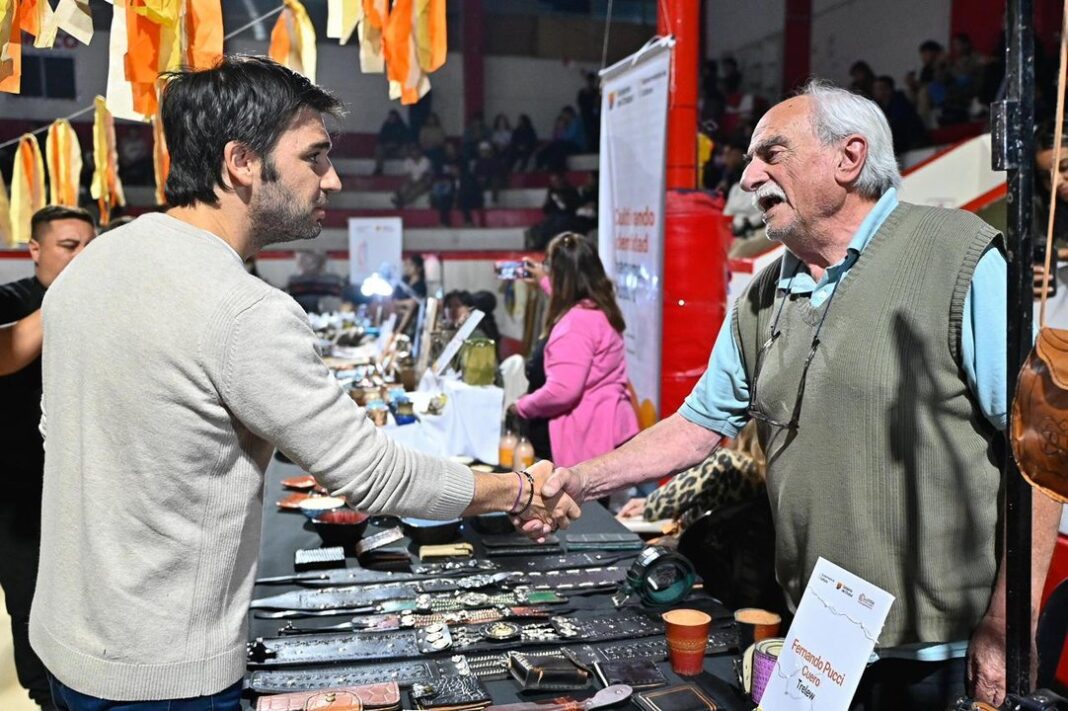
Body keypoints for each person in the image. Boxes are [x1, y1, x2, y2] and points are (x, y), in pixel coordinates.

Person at [31, 56, 578, 711]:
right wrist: (517, 489)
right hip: (164, 675)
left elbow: (62, 432)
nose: (333, 178)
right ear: (242, 161)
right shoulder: (243, 309)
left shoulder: (91, 264)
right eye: (314, 157)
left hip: (67, 644)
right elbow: (375, 476)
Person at [531, 80, 1061, 709]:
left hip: (939, 651)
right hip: (818, 639)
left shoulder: (956, 257)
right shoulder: (763, 295)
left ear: (849, 157)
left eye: (771, 154)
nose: (748, 176)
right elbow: (695, 428)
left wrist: (1007, 623)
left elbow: (1041, 453)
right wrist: (580, 480)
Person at [0, 205, 95, 711]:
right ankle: (46, 699)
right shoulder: (12, 300)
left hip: (86, 482)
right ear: (34, 249)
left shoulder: (101, 302)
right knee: (30, 601)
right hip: (18, 489)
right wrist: (65, 298)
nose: (82, 257)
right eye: (69, 246)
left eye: (89, 248)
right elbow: (7, 352)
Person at [512, 232, 638, 469]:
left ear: (561, 276)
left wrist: (521, 406)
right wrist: (544, 281)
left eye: (549, 266)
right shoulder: (599, 309)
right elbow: (571, 295)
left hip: (586, 437)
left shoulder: (575, 324)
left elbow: (562, 391)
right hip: (607, 427)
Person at [372, 109, 411, 175]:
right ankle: (379, 169)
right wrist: (387, 144)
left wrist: (396, 144)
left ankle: (408, 171)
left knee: (405, 150)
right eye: (390, 117)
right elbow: (380, 138)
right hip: (386, 150)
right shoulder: (385, 126)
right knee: (379, 149)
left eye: (393, 117)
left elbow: (406, 139)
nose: (391, 118)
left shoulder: (402, 126)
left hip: (398, 150)